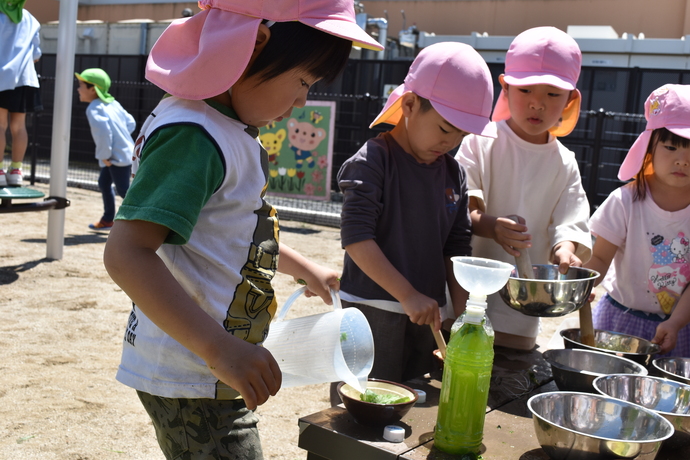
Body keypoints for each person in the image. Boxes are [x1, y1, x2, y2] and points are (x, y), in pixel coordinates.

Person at [102, 1, 383, 458]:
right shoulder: (194, 136)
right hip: (193, 368)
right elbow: (126, 253)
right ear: (254, 45)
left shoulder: (223, 127)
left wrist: (303, 267)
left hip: (210, 363)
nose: (301, 101)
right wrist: (219, 349)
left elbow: (230, 231)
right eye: (303, 81)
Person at [336, 42, 497, 385]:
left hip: (428, 315)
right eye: (444, 128)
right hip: (370, 311)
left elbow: (456, 249)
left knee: (416, 403)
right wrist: (407, 294)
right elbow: (356, 239)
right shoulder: (373, 162)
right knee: (365, 407)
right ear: (409, 104)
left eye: (461, 133)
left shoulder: (454, 174)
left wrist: (464, 315)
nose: (450, 141)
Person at [456, 26, 592, 350]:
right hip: (466, 293)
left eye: (552, 94)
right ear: (505, 88)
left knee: (511, 378)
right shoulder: (480, 142)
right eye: (526, 90)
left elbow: (569, 221)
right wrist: (491, 227)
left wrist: (566, 251)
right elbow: (460, 209)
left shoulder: (565, 162)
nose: (537, 104)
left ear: (570, 100)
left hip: (523, 305)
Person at [584, 84, 690, 357]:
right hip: (620, 319)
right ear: (649, 147)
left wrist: (676, 322)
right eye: (671, 147)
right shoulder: (625, 201)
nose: (683, 160)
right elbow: (598, 261)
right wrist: (578, 283)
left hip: (679, 326)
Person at [75, 68, 135, 230]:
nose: (78, 89)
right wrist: (121, 138)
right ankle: (108, 219)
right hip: (124, 152)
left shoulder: (94, 108)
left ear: (92, 89)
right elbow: (130, 122)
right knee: (104, 182)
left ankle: (143, 221)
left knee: (125, 191)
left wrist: (104, 155)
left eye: (81, 85)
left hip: (114, 157)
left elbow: (103, 133)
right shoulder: (113, 103)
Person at [0, 0, 41, 187]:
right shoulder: (30, 19)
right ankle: (16, 169)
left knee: (0, 126)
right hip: (26, 78)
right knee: (19, 127)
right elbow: (36, 55)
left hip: (2, 76)